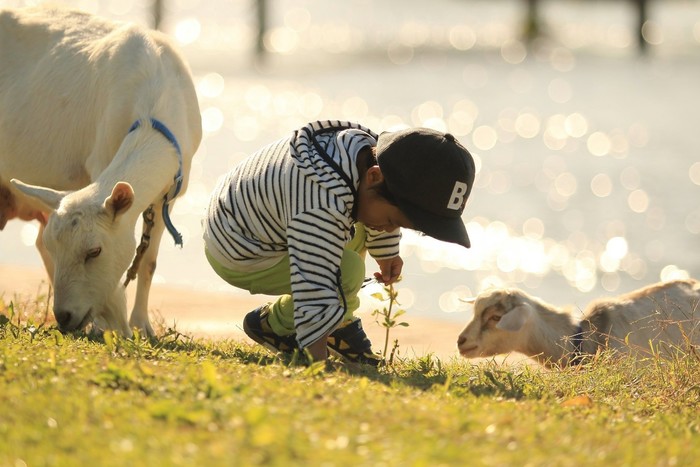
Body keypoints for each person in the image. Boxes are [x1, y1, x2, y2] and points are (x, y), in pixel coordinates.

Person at [203, 120, 475, 365]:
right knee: (346, 272)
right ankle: (273, 326)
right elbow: (314, 281)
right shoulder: (320, 204)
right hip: (239, 248)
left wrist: (386, 252)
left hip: (256, 217)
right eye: (394, 220)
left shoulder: (362, 155)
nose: (391, 228)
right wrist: (317, 362)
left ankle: (338, 321)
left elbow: (382, 201)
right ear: (374, 176)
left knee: (362, 224)